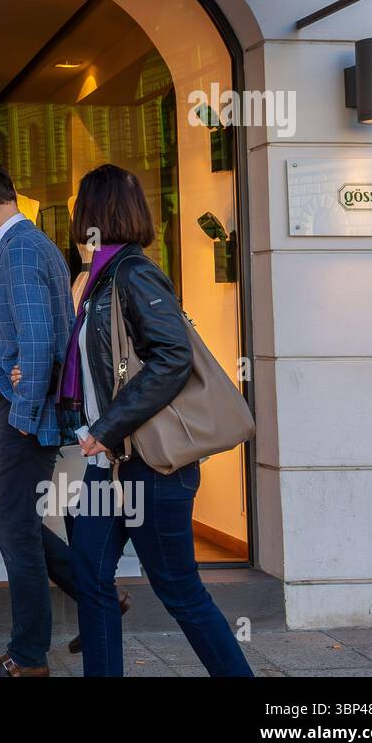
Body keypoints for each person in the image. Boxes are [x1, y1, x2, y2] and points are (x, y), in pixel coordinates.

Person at [62, 164, 253, 677]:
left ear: (95, 212)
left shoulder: (133, 273)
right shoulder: (104, 277)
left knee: (179, 590)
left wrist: (108, 427)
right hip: (116, 467)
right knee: (90, 571)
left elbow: (172, 356)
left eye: (81, 203)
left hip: (150, 467)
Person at [0, 163, 73, 678]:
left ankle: (28, 659)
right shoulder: (24, 244)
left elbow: (39, 335)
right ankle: (98, 594)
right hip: (10, 403)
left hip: (23, 409)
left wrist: (23, 415)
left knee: (15, 528)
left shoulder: (21, 248)